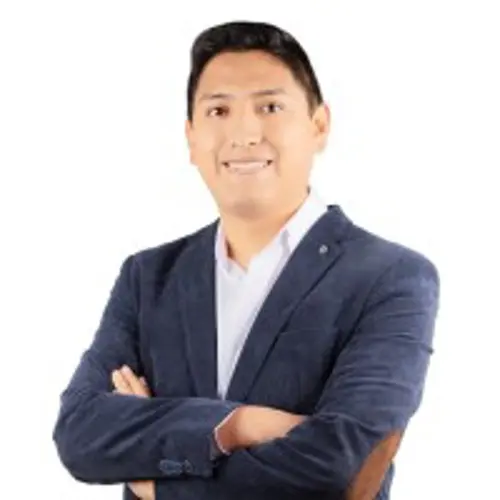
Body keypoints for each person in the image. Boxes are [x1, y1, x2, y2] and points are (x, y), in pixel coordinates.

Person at [52, 20, 440, 500]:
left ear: (319, 125)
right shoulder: (149, 278)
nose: (243, 133)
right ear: (191, 138)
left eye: (269, 107)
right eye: (218, 110)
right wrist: (239, 425)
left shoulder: (390, 277)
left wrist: (161, 478)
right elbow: (79, 434)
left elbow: (345, 466)